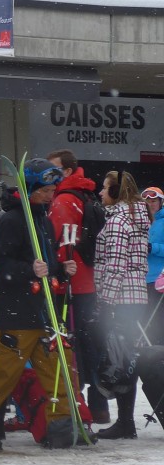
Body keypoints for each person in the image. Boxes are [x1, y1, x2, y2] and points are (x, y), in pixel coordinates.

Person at [0, 158, 81, 451]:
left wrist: (61, 269)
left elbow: (45, 264)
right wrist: (30, 271)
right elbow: (3, 267)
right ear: (31, 190)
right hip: (17, 314)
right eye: (45, 190)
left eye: (52, 190)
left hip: (45, 312)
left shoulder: (43, 220)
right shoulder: (12, 221)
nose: (51, 195)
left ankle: (61, 426)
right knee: (1, 375)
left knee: (59, 370)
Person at [46, 148, 107, 424]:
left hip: (70, 282)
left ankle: (75, 403)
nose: (49, 175)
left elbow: (60, 241)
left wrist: (57, 273)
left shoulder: (64, 199)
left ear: (67, 171)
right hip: (87, 280)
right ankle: (98, 404)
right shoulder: (86, 194)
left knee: (69, 347)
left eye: (54, 169)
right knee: (89, 344)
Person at [92, 169, 152, 440]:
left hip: (120, 298)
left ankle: (125, 422)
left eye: (105, 188)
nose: (100, 192)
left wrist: (105, 301)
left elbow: (115, 266)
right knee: (127, 359)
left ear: (116, 192)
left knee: (119, 360)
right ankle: (125, 421)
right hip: (136, 297)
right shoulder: (138, 218)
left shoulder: (118, 220)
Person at [143, 186, 164, 345]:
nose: (151, 204)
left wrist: (152, 247)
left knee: (157, 320)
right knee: (145, 320)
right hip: (142, 279)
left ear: (161, 202)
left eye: (154, 201)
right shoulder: (141, 221)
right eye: (147, 201)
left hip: (159, 280)